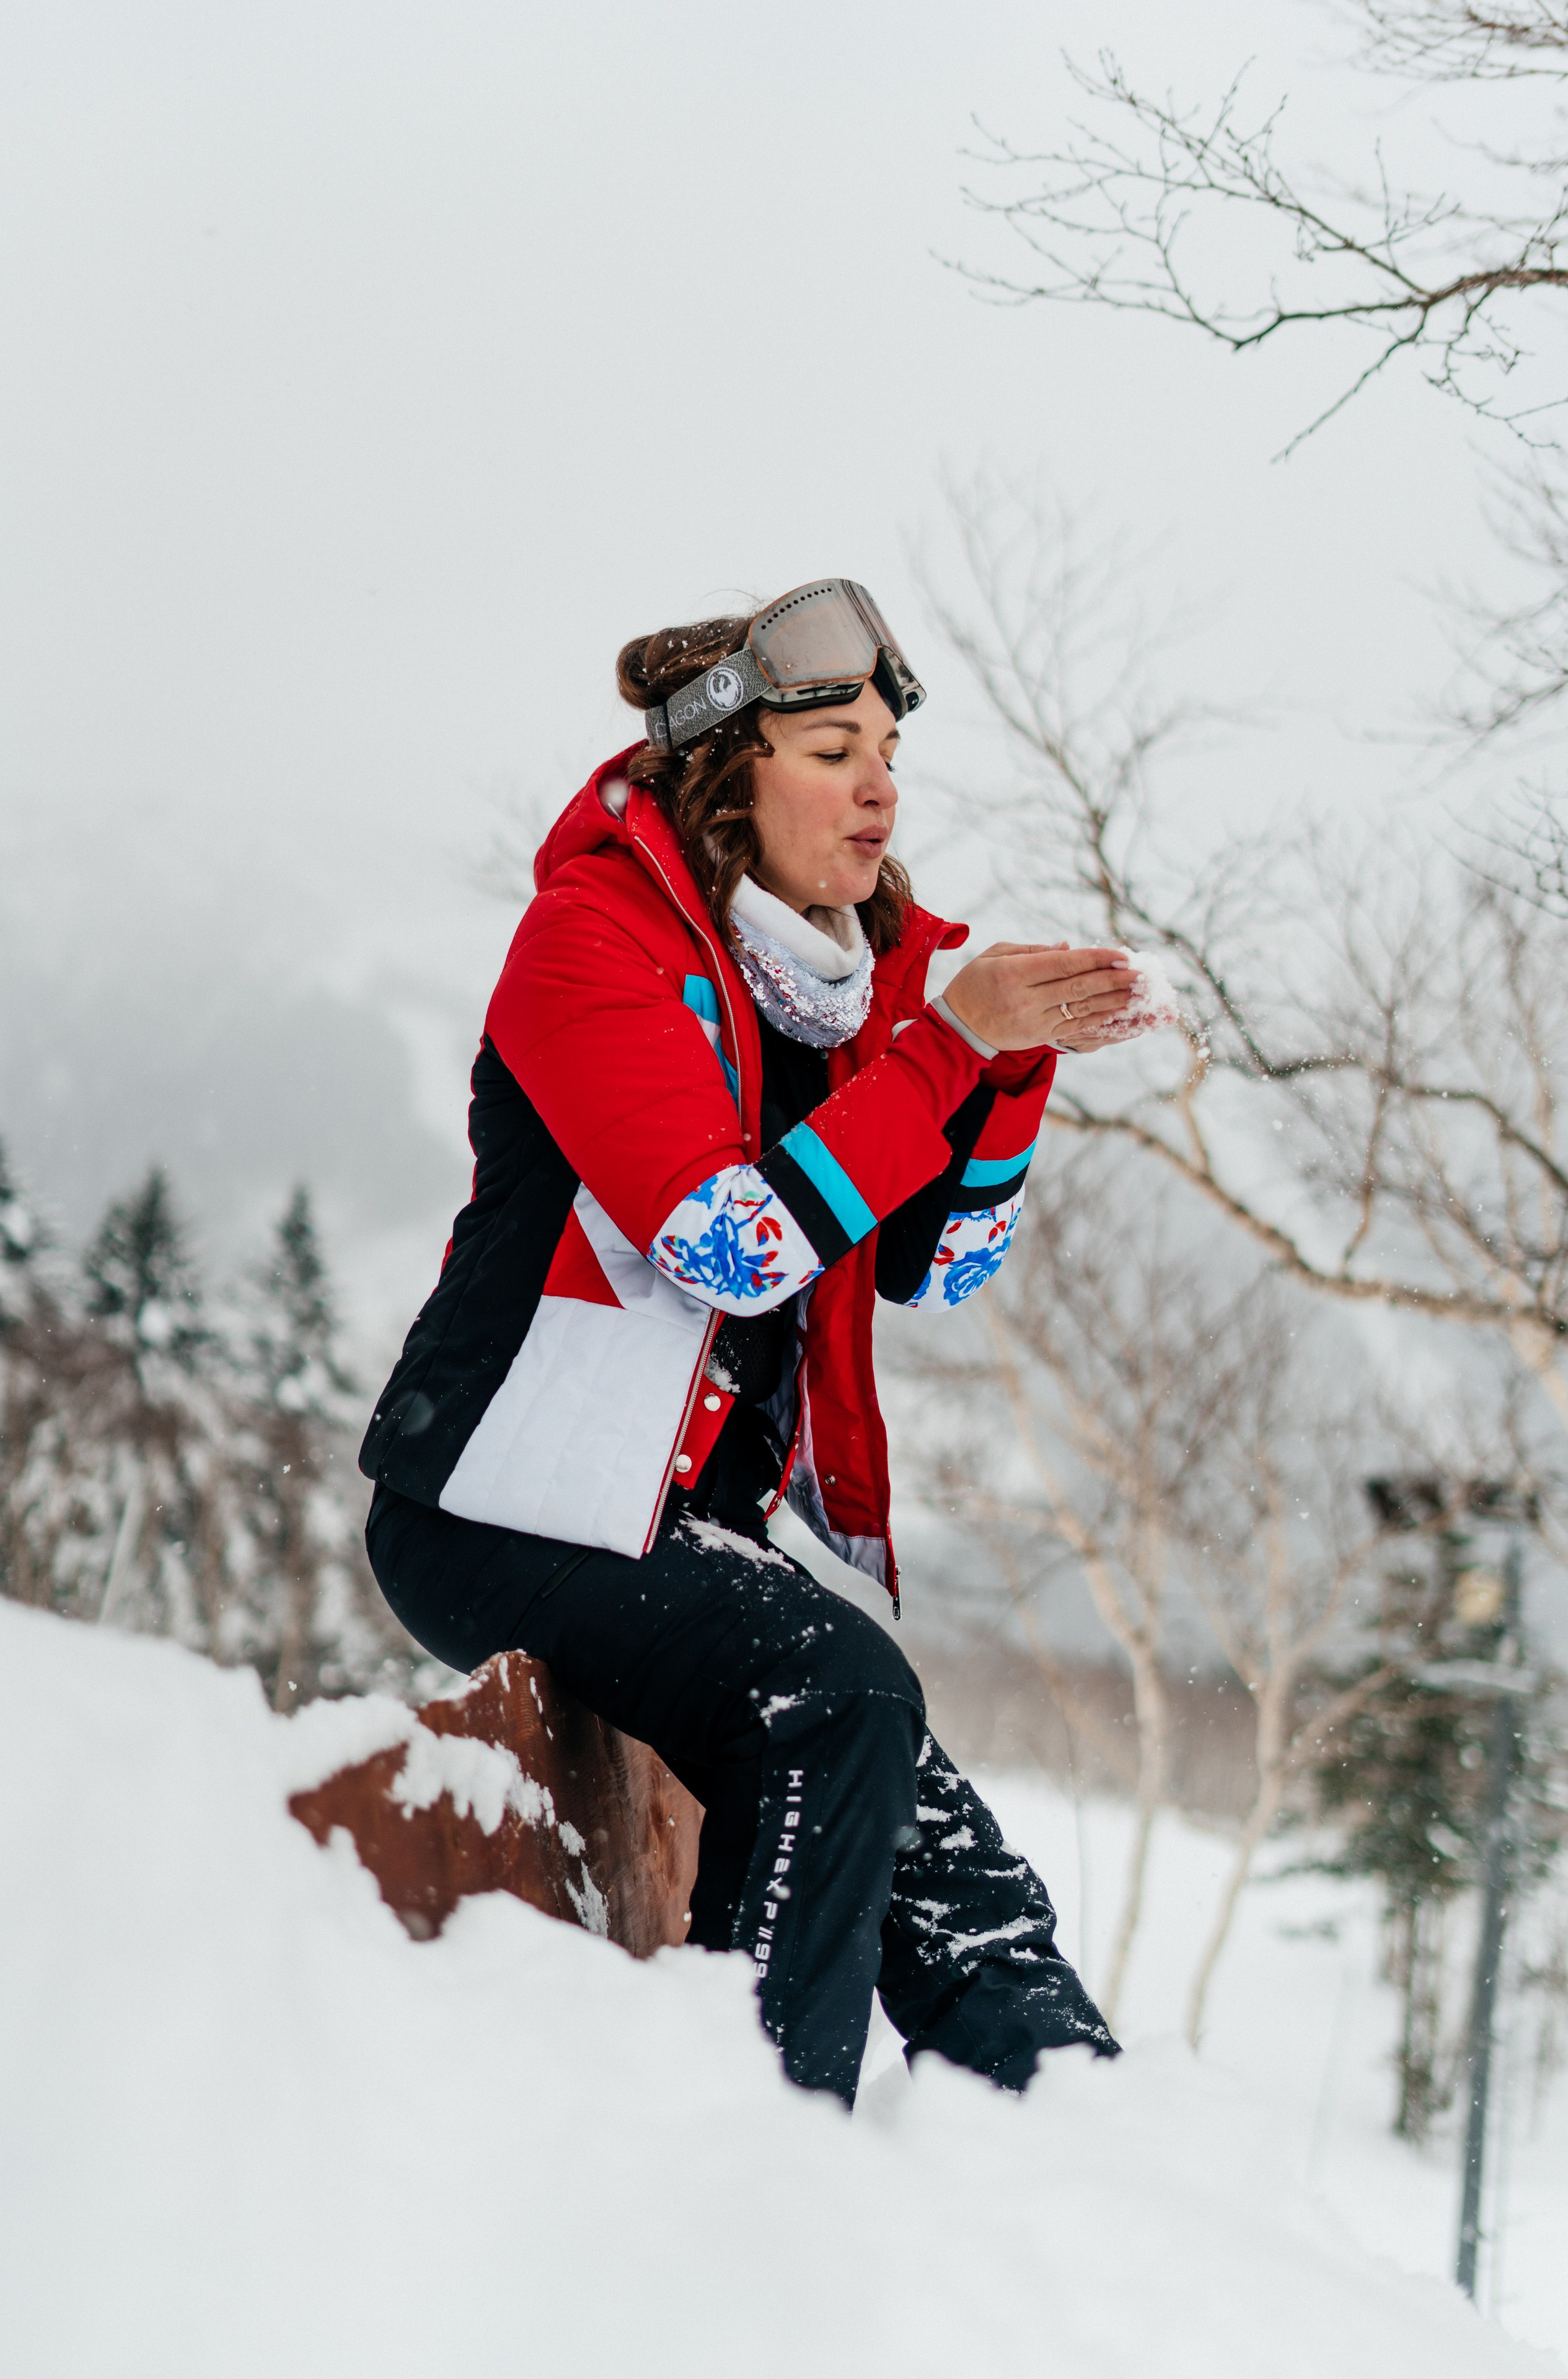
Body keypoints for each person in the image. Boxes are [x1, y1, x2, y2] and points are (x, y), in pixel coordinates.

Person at [361, 580, 1143, 2103]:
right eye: (833, 748)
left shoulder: (842, 983)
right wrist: (949, 1046)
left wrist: (1006, 1077)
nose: (878, 788)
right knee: (837, 1692)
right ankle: (746, 2142)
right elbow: (732, 1240)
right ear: (729, 772)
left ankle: (1093, 2141)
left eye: (888, 757)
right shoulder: (590, 941)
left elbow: (937, 1266)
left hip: (680, 1527)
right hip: (495, 1501)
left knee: (956, 1885)